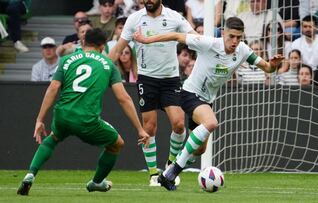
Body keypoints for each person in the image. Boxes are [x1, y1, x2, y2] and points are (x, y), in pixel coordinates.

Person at [133, 16, 284, 191]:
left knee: (199, 150)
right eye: (231, 36)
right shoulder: (208, 43)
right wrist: (146, 39)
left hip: (207, 101)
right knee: (211, 122)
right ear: (223, 33)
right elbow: (176, 36)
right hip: (189, 94)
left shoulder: (243, 50)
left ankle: (171, 170)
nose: (235, 41)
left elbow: (267, 67)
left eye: (238, 37)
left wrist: (273, 66)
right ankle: (170, 173)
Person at [17, 28, 150, 196]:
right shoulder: (107, 64)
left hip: (62, 115)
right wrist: (140, 129)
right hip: (87, 120)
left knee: (53, 138)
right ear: (102, 46)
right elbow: (124, 98)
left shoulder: (66, 60)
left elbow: (53, 88)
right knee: (117, 144)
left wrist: (39, 119)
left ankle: (30, 174)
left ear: (84, 42)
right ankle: (96, 182)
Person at [109, 0, 195, 187]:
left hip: (171, 79)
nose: (146, 0)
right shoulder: (134, 19)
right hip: (146, 79)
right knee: (149, 128)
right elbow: (117, 49)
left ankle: (170, 165)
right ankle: (154, 174)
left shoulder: (174, 17)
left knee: (179, 124)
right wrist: (101, 70)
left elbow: (194, 37)